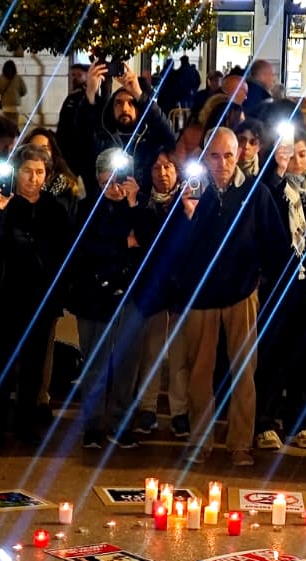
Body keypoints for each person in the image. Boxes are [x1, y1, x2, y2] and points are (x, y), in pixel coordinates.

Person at [171, 127, 288, 467]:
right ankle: (199, 441)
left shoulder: (256, 192)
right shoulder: (192, 193)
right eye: (214, 155)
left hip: (241, 293)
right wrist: (189, 217)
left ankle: (240, 444)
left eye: (227, 155)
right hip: (200, 296)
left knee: (244, 372)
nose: (221, 163)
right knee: (199, 373)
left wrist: (258, 279)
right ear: (204, 156)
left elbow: (276, 244)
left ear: (238, 155)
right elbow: (175, 248)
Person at [0, 143, 72, 447]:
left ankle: (25, 425)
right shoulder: (1, 203)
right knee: (1, 365)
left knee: (33, 367)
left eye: (40, 172)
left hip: (40, 299)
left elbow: (63, 254)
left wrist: (57, 296)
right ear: (16, 173)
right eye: (28, 171)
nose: (33, 178)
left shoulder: (55, 209)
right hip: (7, 297)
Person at [68, 147, 146, 449]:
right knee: (95, 363)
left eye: (119, 177)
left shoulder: (137, 206)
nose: (113, 185)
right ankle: (93, 425)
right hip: (93, 297)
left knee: (127, 364)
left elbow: (147, 241)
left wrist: (132, 205)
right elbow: (85, 250)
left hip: (130, 296)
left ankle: (120, 422)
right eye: (106, 178)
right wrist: (123, 243)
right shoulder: (85, 208)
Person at [256, 130, 306, 451]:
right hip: (278, 283)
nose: (297, 160)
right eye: (290, 153)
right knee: (272, 354)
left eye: (302, 153)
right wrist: (278, 171)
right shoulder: (272, 188)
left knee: (304, 356)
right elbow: (265, 216)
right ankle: (265, 423)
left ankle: (301, 424)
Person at [132, 152, 190, 438]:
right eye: (156, 167)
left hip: (181, 287)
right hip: (153, 287)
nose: (163, 173)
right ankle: (147, 407)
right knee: (151, 351)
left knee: (180, 354)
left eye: (168, 167)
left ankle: (180, 411)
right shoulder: (143, 202)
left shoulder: (189, 200)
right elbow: (143, 240)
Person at [65, 61, 176, 193]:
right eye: (118, 103)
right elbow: (82, 134)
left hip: (141, 202)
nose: (124, 109)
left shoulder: (150, 139)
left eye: (131, 103)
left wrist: (139, 94)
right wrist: (90, 93)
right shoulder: (103, 138)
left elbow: (168, 135)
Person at [24, 127, 85, 213]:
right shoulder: (16, 184)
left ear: (53, 152)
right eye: (33, 149)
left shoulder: (68, 188)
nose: (38, 153)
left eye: (44, 149)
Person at [0, 60, 27, 125]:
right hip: (15, 106)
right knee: (14, 124)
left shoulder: (1, 78)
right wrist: (17, 95)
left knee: (6, 124)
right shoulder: (18, 78)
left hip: (5, 105)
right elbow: (24, 91)